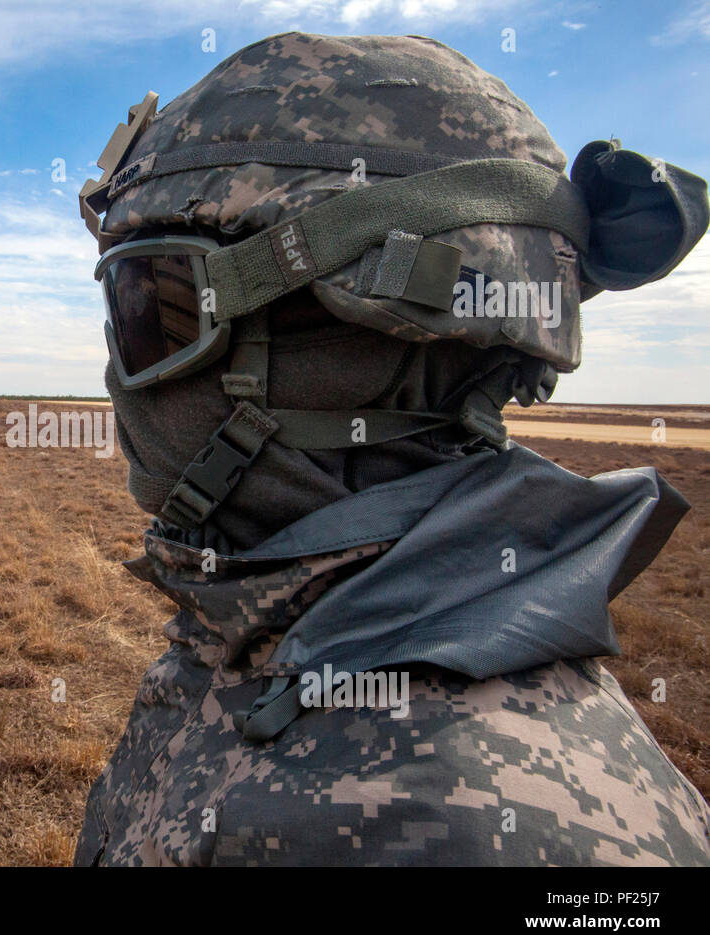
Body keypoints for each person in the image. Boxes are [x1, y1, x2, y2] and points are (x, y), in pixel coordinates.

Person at [73, 33, 710, 865]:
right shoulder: (258, 622)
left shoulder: (479, 827)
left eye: (155, 314)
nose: (122, 376)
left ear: (363, 331)